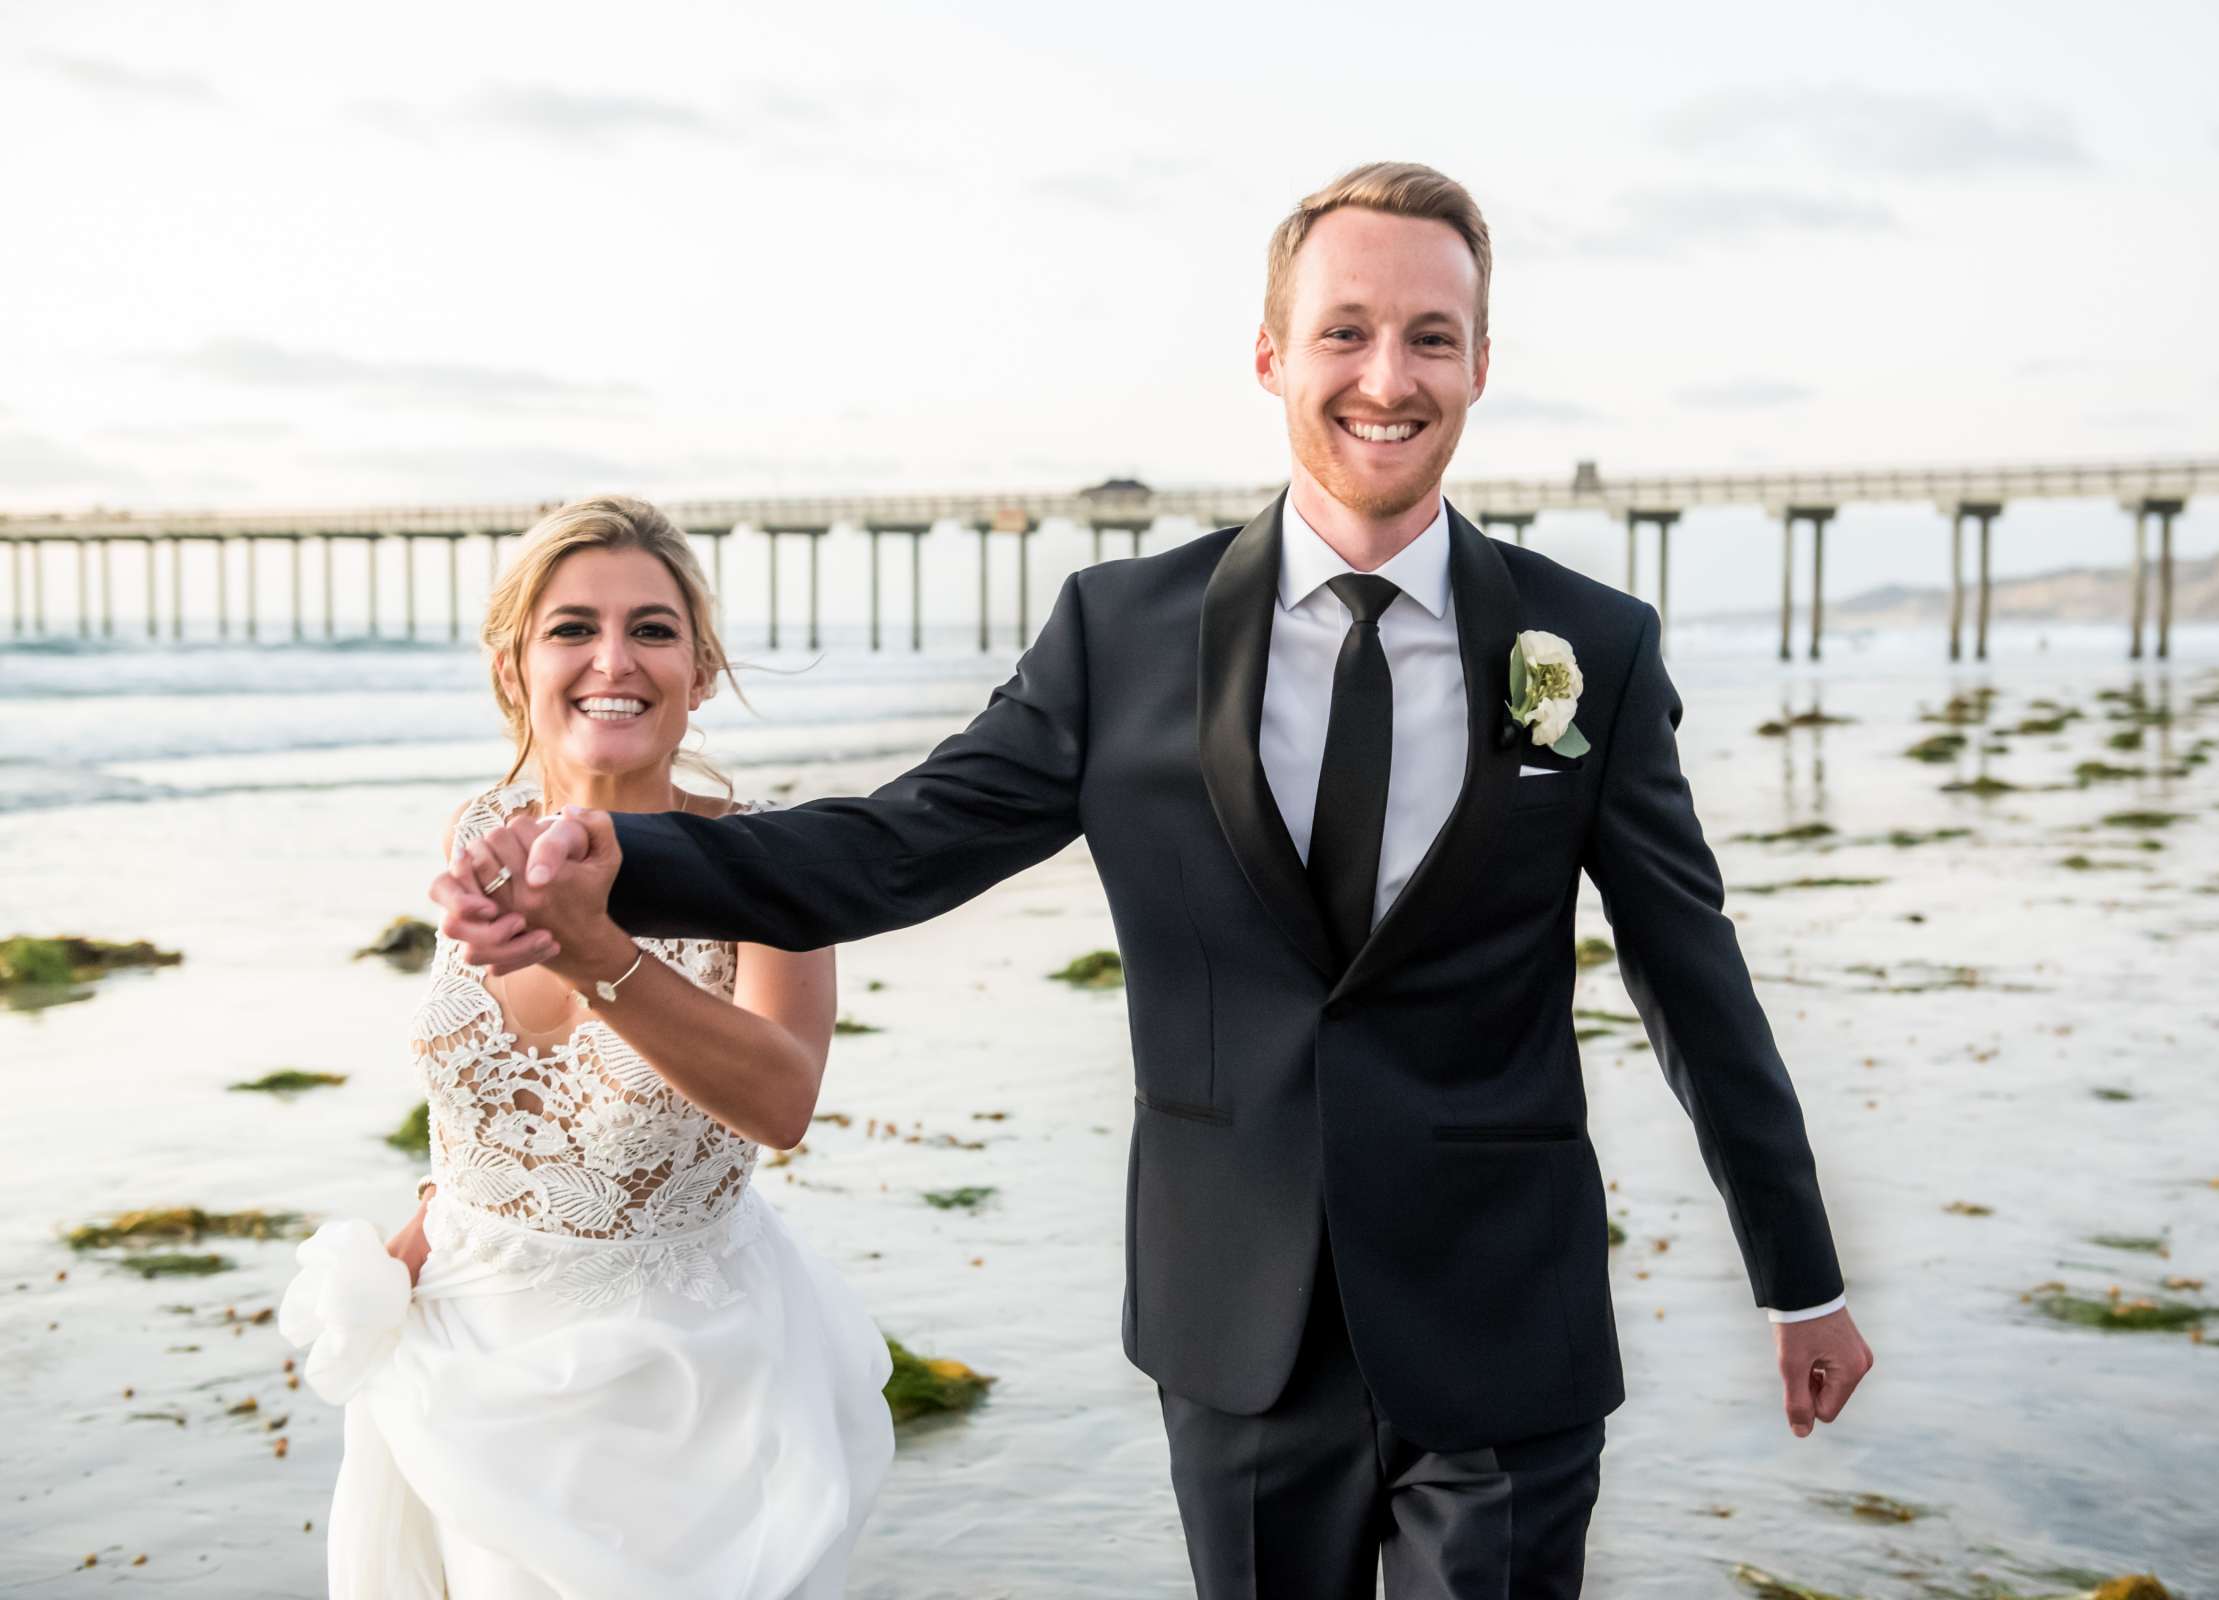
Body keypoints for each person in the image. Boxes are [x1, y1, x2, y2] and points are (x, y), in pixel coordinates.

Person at [436, 162, 1873, 1598]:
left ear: (1483, 365)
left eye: (1432, 336)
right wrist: (624, 863)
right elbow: (892, 846)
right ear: (1271, 356)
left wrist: (1799, 1274)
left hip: (1504, 1317)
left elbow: (1692, 973)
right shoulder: (1121, 634)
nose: (1389, 375)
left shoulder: (1589, 653)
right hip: (1233, 1318)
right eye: (1345, 331)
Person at [283, 496, 892, 1599]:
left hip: (682, 1394)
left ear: (701, 671)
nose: (613, 657)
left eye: (653, 629)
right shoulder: (477, 830)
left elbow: (783, 1101)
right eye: (573, 627)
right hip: (458, 1360)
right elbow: (483, 1115)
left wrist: (595, 953)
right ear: (516, 665)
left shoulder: (770, 861)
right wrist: (411, 1244)